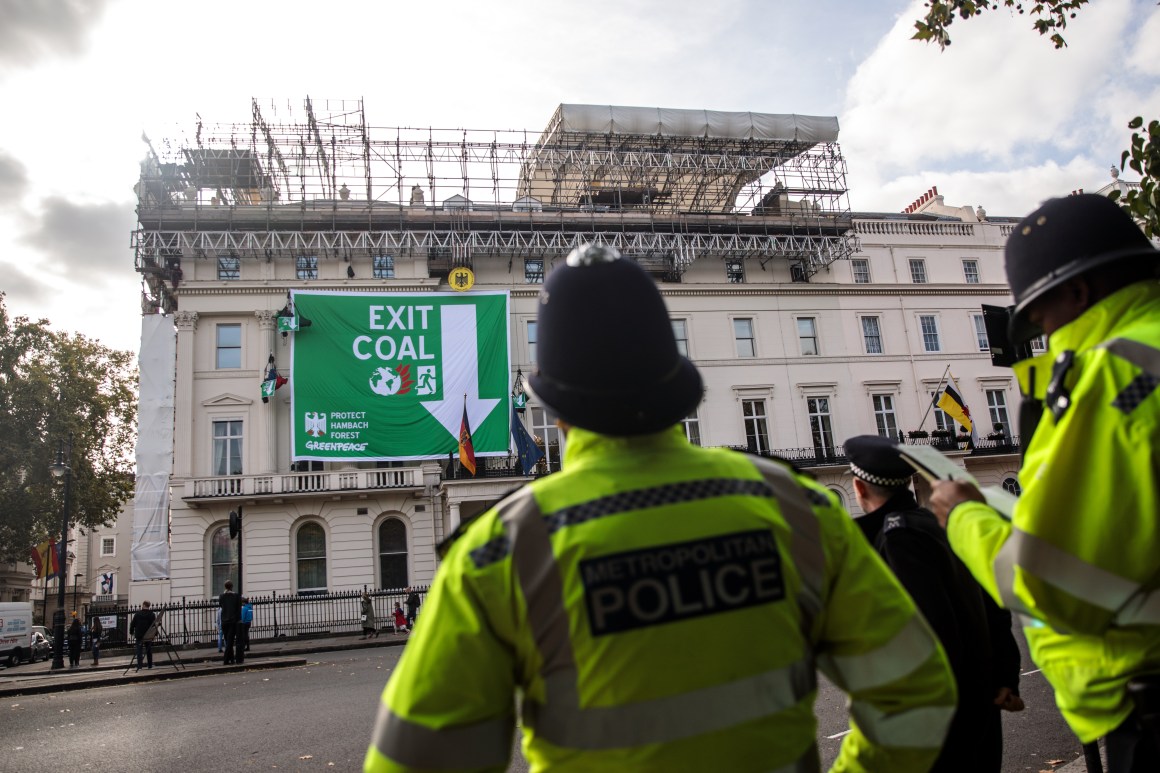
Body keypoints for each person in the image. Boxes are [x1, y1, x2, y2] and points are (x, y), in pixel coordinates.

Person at [364, 244, 958, 772]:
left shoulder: (501, 551)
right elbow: (917, 692)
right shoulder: (793, 506)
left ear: (555, 407)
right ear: (675, 383)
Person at [928, 193, 1160, 773]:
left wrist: (963, 514)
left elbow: (1050, 580)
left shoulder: (1119, 377)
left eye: (1040, 315)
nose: (1044, 334)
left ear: (1077, 293)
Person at [844, 435, 1023, 772]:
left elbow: (927, 633)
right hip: (979, 698)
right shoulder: (939, 523)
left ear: (859, 487)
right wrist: (1005, 675)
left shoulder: (898, 538)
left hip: (944, 717)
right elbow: (992, 603)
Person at [219, 580, 241, 665]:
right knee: (230, 642)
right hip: (232, 621)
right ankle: (225, 660)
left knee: (228, 641)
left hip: (224, 621)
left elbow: (221, 606)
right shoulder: (236, 596)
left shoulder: (221, 596)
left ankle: (231, 659)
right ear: (232, 587)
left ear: (225, 587)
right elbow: (238, 610)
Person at [130, 600, 156, 670]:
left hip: (139, 634)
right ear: (148, 606)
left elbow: (132, 624)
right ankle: (150, 665)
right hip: (148, 634)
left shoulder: (137, 614)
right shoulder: (152, 614)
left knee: (139, 650)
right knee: (149, 650)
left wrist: (131, 632)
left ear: (143, 605)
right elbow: (154, 626)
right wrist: (154, 635)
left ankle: (139, 666)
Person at [237, 597, 253, 663]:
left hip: (244, 623)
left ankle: (244, 647)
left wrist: (241, 622)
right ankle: (248, 646)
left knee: (244, 635)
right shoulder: (250, 607)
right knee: (246, 634)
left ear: (243, 602)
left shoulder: (244, 608)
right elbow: (251, 615)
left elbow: (242, 616)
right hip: (249, 622)